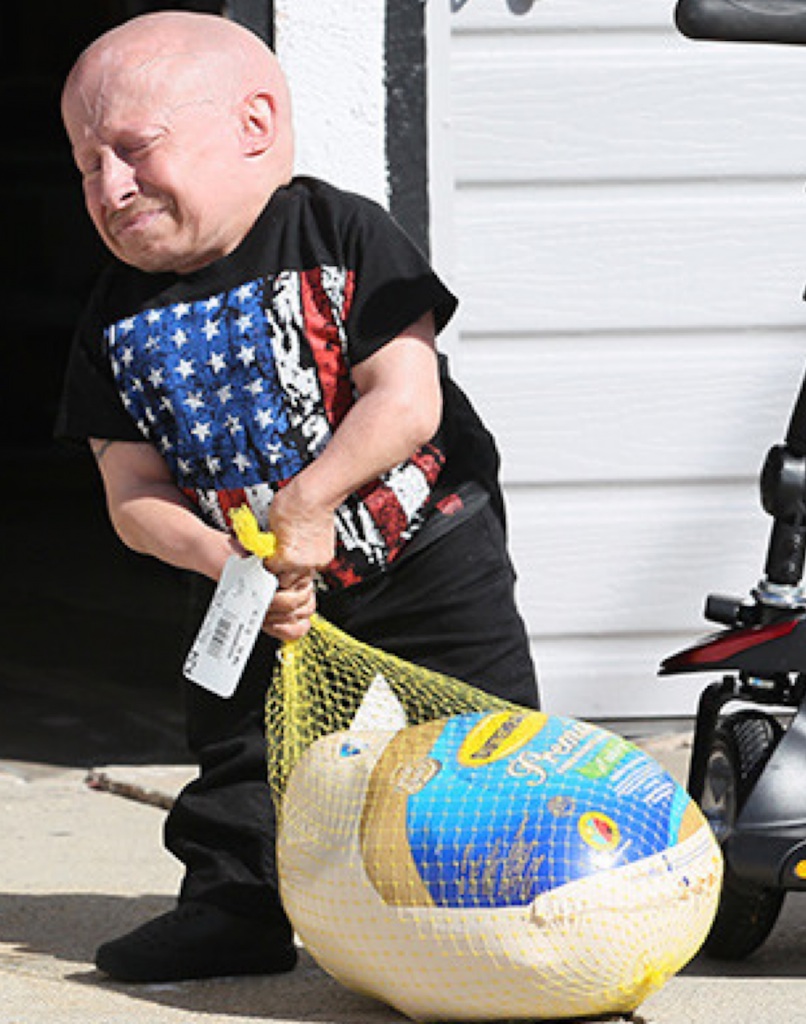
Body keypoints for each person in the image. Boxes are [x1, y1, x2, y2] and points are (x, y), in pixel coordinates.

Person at [57, 10, 539, 984]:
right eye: (86, 166)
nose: (111, 186)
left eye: (135, 149)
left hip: (420, 544)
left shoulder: (338, 232)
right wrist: (221, 560)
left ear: (253, 126)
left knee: (477, 727)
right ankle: (234, 905)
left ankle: (513, 893)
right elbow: (132, 492)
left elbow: (404, 400)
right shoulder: (113, 314)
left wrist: (309, 502)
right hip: (248, 577)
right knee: (240, 750)